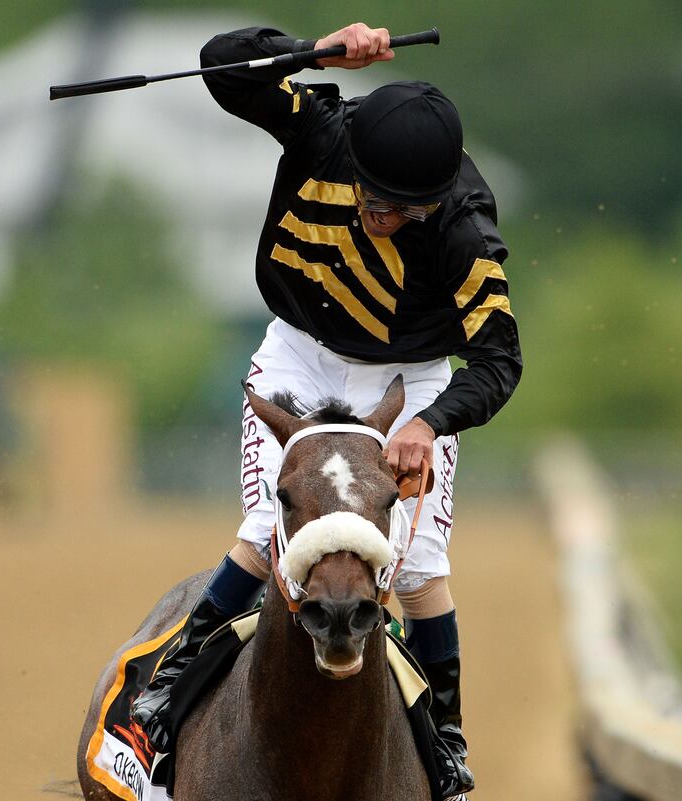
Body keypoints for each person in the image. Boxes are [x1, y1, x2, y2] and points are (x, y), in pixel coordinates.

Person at [128, 23, 522, 801]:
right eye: (374, 197)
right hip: (299, 357)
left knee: (416, 566)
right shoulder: (322, 128)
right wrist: (310, 50)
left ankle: (445, 735)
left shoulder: (466, 229)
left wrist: (428, 424)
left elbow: (502, 361)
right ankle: (169, 688)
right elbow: (223, 66)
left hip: (410, 379)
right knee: (273, 530)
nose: (383, 214)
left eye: (404, 210)